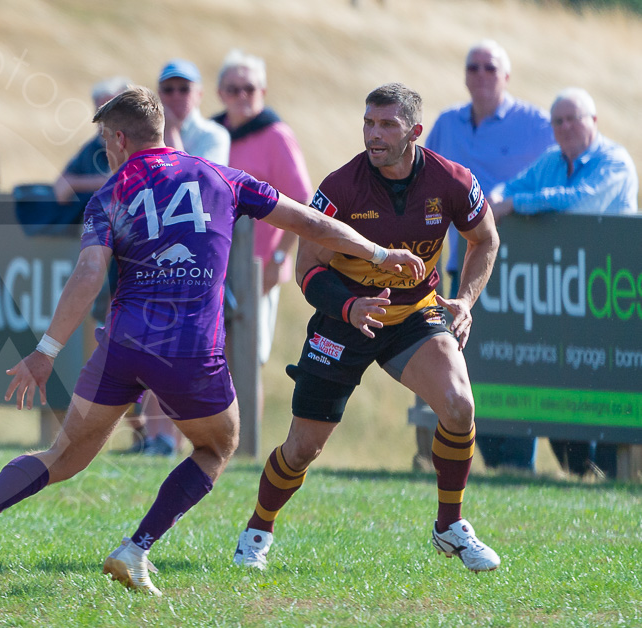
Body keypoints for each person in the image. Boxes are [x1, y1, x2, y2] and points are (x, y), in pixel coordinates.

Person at [0, 87, 426, 595]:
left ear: (119, 138)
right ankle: (135, 548)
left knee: (63, 455)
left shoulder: (110, 194)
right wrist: (379, 254)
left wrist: (46, 352)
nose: (105, 151)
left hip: (123, 345)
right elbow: (311, 221)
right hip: (190, 350)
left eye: (105, 142)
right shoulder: (220, 176)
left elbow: (88, 274)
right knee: (218, 444)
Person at [232, 84, 502, 574]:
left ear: (415, 132)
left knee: (460, 405)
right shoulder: (340, 188)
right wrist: (351, 306)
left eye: (386, 125)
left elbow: (485, 239)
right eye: (368, 123)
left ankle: (450, 525)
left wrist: (464, 300)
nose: (373, 135)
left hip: (414, 316)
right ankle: (258, 528)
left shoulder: (452, 181)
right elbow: (307, 270)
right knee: (302, 449)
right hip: (344, 320)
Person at [492, 88, 637, 480]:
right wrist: (496, 199)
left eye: (574, 118)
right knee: (558, 382)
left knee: (609, 389)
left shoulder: (615, 161)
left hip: (611, 295)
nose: (566, 126)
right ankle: (581, 471)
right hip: (562, 295)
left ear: (594, 121)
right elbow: (509, 188)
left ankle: (615, 472)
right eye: (558, 121)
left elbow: (581, 203)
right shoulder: (550, 163)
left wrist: (516, 205)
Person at [424, 40, 553, 473]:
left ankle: (521, 462)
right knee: (474, 362)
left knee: (518, 358)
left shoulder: (537, 124)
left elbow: (557, 173)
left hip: (529, 268)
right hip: (467, 266)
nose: (481, 75)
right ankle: (496, 461)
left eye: (490, 68)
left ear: (506, 76)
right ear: (465, 75)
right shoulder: (446, 124)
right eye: (473, 67)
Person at [123, 58, 232, 457]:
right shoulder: (146, 136)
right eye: (167, 90)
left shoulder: (214, 135)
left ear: (199, 94)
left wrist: (171, 137)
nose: (175, 97)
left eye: (183, 89)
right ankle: (154, 438)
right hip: (155, 259)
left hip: (201, 262)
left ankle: (172, 440)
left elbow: (198, 182)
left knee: (180, 351)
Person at [211, 50, 313, 436]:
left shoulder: (275, 135)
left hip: (258, 267)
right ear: (221, 92)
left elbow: (302, 202)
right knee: (212, 356)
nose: (242, 96)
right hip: (215, 267)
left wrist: (278, 259)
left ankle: (244, 440)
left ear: (263, 91)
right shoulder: (214, 133)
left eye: (249, 88)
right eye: (233, 88)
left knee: (248, 357)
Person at [52, 77, 131, 205]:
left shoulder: (138, 141)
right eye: (100, 111)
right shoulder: (93, 147)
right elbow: (61, 188)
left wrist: (77, 184)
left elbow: (125, 182)